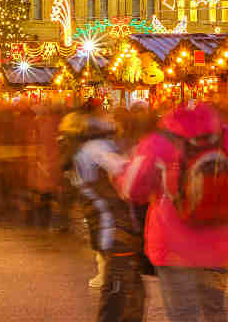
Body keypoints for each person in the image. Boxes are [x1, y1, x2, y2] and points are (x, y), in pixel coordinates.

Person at [117, 102, 228, 322]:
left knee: (184, 315)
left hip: (174, 248)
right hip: (220, 245)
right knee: (216, 311)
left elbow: (131, 189)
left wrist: (120, 173)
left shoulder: (158, 142)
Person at [62, 109, 144, 322]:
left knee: (122, 291)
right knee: (122, 293)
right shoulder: (95, 148)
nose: (110, 119)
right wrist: (144, 157)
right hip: (116, 231)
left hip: (109, 229)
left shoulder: (80, 150)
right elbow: (127, 174)